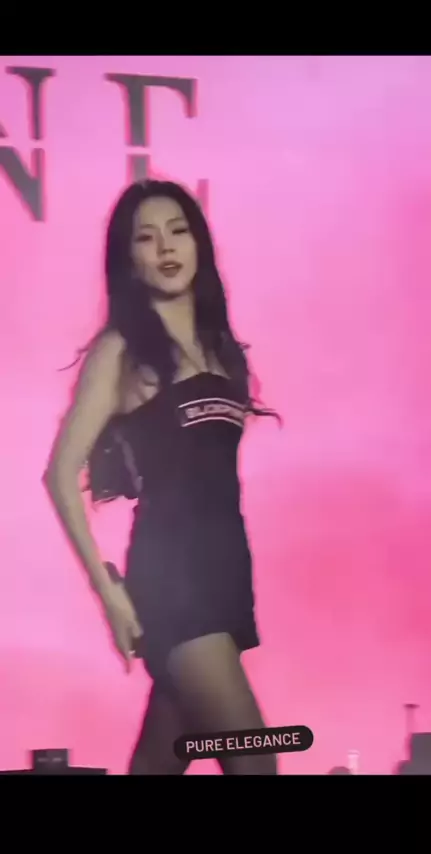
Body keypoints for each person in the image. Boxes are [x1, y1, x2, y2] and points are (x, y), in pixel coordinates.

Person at [43, 179, 279, 775]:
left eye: (178, 231)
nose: (166, 247)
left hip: (226, 573)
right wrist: (108, 591)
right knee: (256, 761)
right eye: (146, 238)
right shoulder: (121, 352)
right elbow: (59, 473)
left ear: (199, 244)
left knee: (158, 764)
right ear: (129, 259)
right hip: (171, 582)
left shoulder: (222, 351)